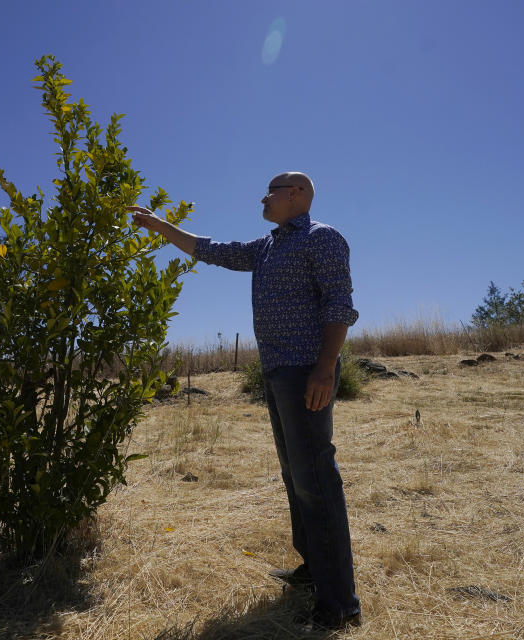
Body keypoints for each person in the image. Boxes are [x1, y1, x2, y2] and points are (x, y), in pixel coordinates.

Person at [127, 172, 360, 632]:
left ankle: (339, 605)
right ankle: (313, 571)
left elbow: (339, 304)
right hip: (277, 373)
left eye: (272, 189)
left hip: (305, 372)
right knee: (296, 474)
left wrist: (325, 367)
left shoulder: (323, 238)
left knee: (316, 478)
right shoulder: (267, 246)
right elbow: (212, 250)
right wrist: (159, 226)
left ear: (297, 195)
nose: (263, 196)